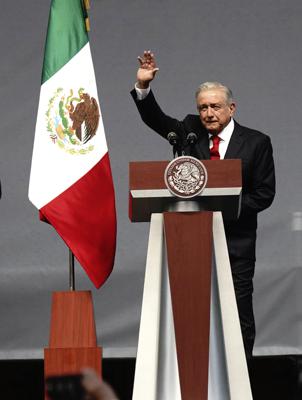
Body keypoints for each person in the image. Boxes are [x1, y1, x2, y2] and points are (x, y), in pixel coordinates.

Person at [130, 50, 276, 360]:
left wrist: (225, 209)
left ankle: (241, 382)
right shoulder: (189, 131)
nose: (208, 113)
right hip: (191, 241)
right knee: (193, 315)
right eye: (203, 107)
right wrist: (143, 88)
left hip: (235, 243)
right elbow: (156, 120)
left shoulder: (256, 142)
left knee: (238, 317)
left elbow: (264, 194)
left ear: (231, 108)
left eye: (215, 106)